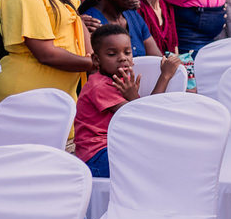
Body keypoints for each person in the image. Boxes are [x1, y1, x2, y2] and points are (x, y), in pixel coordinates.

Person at [74, 23, 180, 177]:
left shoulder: (121, 80)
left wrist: (132, 98)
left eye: (127, 52)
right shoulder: (99, 86)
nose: (122, 58)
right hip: (98, 156)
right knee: (154, 168)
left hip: (117, 146)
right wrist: (165, 76)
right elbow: (143, 118)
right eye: (112, 54)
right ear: (96, 60)